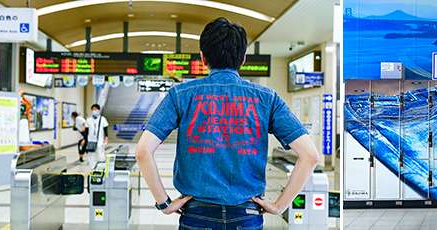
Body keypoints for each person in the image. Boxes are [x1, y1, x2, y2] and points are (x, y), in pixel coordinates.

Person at [136, 17, 319, 230]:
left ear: (203, 58)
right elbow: (310, 156)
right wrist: (280, 205)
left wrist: (164, 203)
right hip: (247, 215)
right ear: (243, 59)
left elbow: (142, 152)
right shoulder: (267, 98)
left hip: (196, 214)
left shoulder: (181, 95)